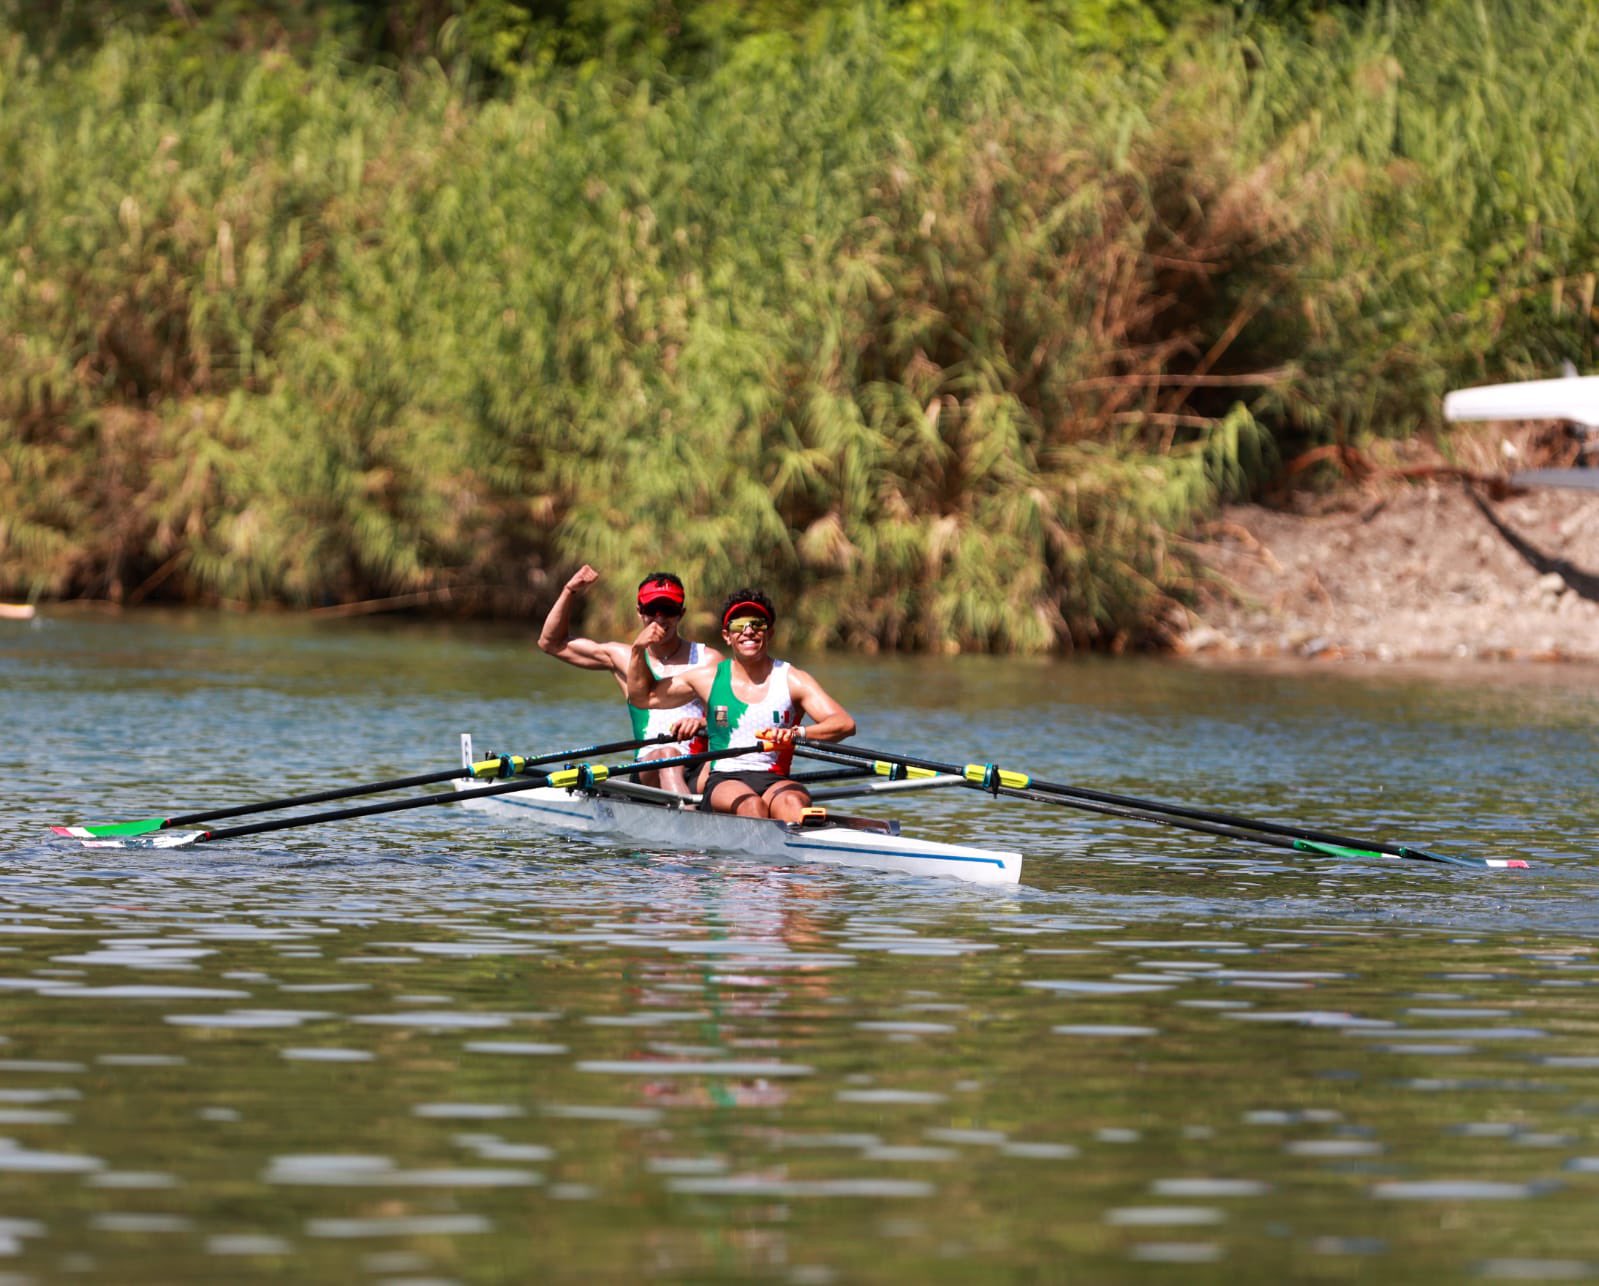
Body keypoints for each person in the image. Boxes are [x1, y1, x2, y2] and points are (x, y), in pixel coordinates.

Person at [625, 588, 856, 822]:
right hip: (725, 778)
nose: (748, 631)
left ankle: (799, 849)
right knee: (751, 805)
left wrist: (796, 734)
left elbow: (843, 724)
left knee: (793, 802)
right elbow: (643, 698)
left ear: (770, 632)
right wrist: (637, 651)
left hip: (774, 779)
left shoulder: (793, 679)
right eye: (738, 625)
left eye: (757, 624)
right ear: (727, 635)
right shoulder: (708, 678)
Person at [538, 566, 721, 793]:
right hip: (649, 767)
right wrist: (569, 591)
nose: (659, 618)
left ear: (681, 613)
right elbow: (551, 643)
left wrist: (702, 722)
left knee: (681, 759)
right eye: (652, 609)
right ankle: (687, 815)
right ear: (639, 611)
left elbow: (728, 714)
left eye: (668, 610)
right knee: (667, 754)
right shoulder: (623, 657)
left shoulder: (708, 660)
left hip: (697, 765)